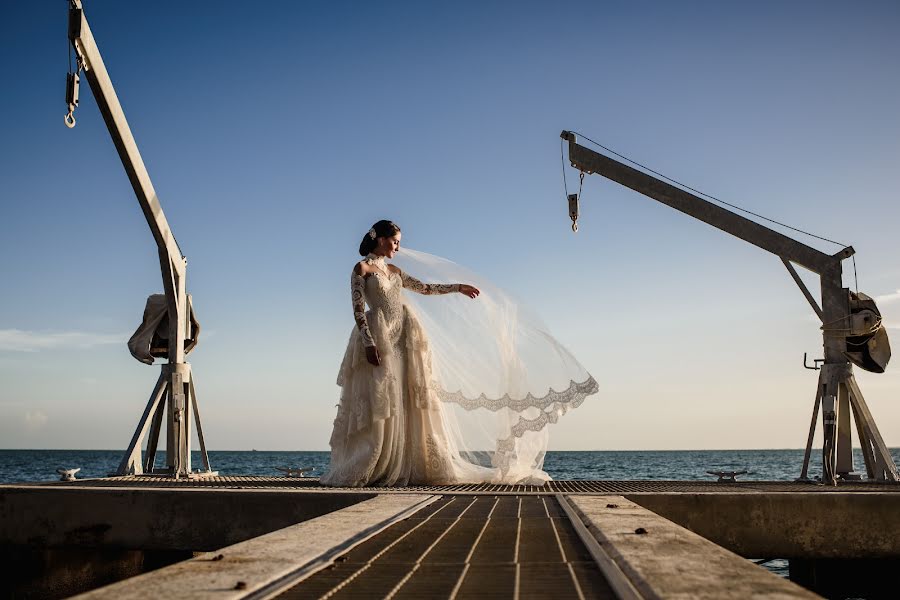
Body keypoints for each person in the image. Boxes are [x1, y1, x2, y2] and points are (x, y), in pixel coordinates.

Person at [320, 220, 597, 487]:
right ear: (380, 239)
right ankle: (377, 461)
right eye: (395, 242)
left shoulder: (394, 270)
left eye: (399, 243)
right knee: (382, 398)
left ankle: (405, 463)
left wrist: (457, 287)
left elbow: (425, 288)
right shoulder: (361, 269)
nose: (398, 248)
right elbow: (358, 312)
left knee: (406, 398)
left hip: (405, 335)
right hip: (379, 335)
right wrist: (369, 343)